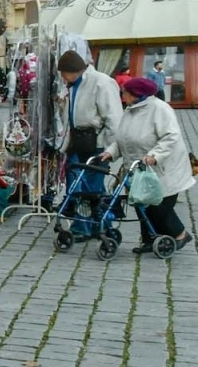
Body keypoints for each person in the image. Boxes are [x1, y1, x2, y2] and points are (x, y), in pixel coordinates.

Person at [100, 76, 192, 252]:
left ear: (136, 94)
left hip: (163, 167)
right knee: (141, 202)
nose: (122, 96)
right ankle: (150, 239)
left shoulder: (160, 109)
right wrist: (110, 152)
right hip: (139, 167)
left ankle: (180, 235)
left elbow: (171, 136)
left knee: (158, 205)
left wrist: (154, 155)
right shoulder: (130, 110)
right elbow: (122, 138)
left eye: (125, 92)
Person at [54, 49, 121, 215]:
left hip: (96, 141)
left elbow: (114, 117)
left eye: (63, 73)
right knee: (79, 181)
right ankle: (85, 218)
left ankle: (97, 221)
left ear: (72, 71)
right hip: (77, 140)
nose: (62, 77)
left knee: (92, 186)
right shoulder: (72, 85)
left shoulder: (101, 82)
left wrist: (111, 148)